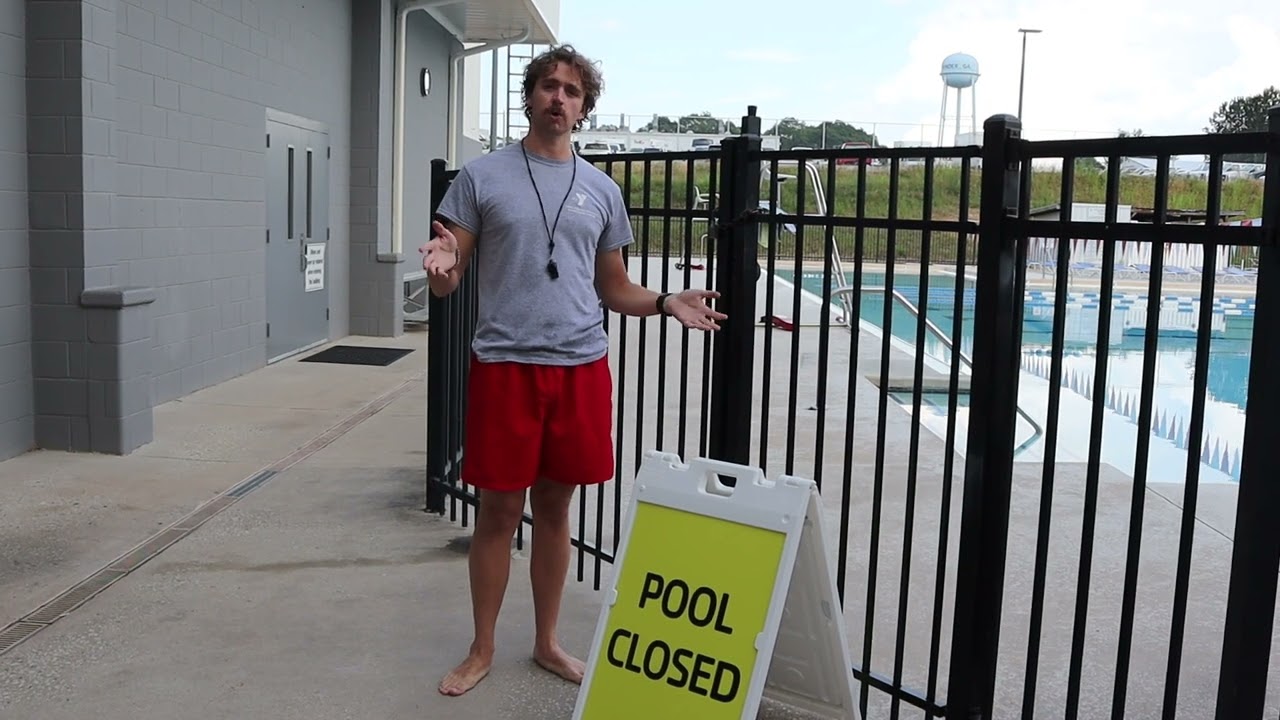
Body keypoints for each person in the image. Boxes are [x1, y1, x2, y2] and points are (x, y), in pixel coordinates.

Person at [419, 44, 727, 697]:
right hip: (506, 366)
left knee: (556, 509)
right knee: (499, 511)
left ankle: (547, 642)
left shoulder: (602, 190)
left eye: (572, 91)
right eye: (549, 86)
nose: (559, 98)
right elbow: (450, 275)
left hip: (580, 368)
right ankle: (481, 649)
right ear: (530, 96)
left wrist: (666, 301)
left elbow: (614, 287)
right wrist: (442, 271)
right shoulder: (481, 178)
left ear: (584, 108)